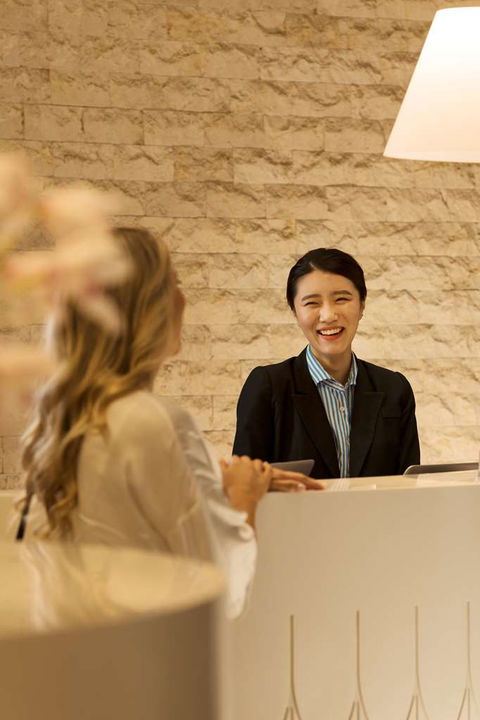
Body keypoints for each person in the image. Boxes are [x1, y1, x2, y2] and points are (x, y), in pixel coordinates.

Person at [20, 227, 318, 617]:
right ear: (143, 308)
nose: (183, 298)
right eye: (173, 283)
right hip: (140, 649)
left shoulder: (58, 420)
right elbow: (216, 595)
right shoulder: (155, 422)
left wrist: (208, 477)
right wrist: (243, 496)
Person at [233, 248, 420, 479]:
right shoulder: (267, 387)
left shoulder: (394, 388)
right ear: (295, 312)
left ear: (362, 305)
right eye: (312, 303)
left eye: (341, 299)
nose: (328, 315)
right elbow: (243, 486)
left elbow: (409, 486)